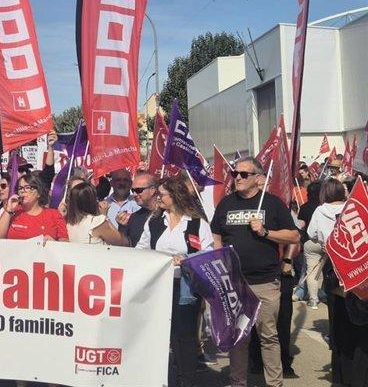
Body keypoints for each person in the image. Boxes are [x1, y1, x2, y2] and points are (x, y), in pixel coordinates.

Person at [210, 156, 300, 387]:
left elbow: (294, 235)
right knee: (239, 338)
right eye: (234, 174)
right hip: (235, 283)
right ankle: (238, 381)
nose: (237, 178)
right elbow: (216, 234)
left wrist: (265, 232)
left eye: (243, 174)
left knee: (268, 336)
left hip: (265, 282)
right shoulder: (227, 203)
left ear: (259, 178)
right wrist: (221, 263)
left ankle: (274, 383)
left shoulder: (272, 203)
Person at [137, 177, 213, 387]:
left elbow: (208, 254)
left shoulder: (197, 224)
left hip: (186, 287)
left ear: (176, 196)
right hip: (159, 287)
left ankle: (187, 380)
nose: (158, 197)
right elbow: (141, 250)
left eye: (162, 194)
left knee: (185, 335)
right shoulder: (154, 222)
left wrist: (187, 260)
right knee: (165, 335)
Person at [0, 174, 68, 241]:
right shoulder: (12, 212)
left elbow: (65, 245)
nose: (23, 191)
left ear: (38, 193)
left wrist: (53, 244)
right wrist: (8, 210)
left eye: (27, 187)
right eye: (20, 188)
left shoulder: (54, 214)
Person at [114, 172, 159, 246]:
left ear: (152, 190)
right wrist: (122, 227)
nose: (134, 194)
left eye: (139, 190)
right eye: (133, 191)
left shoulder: (166, 214)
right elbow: (125, 245)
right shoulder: (134, 217)